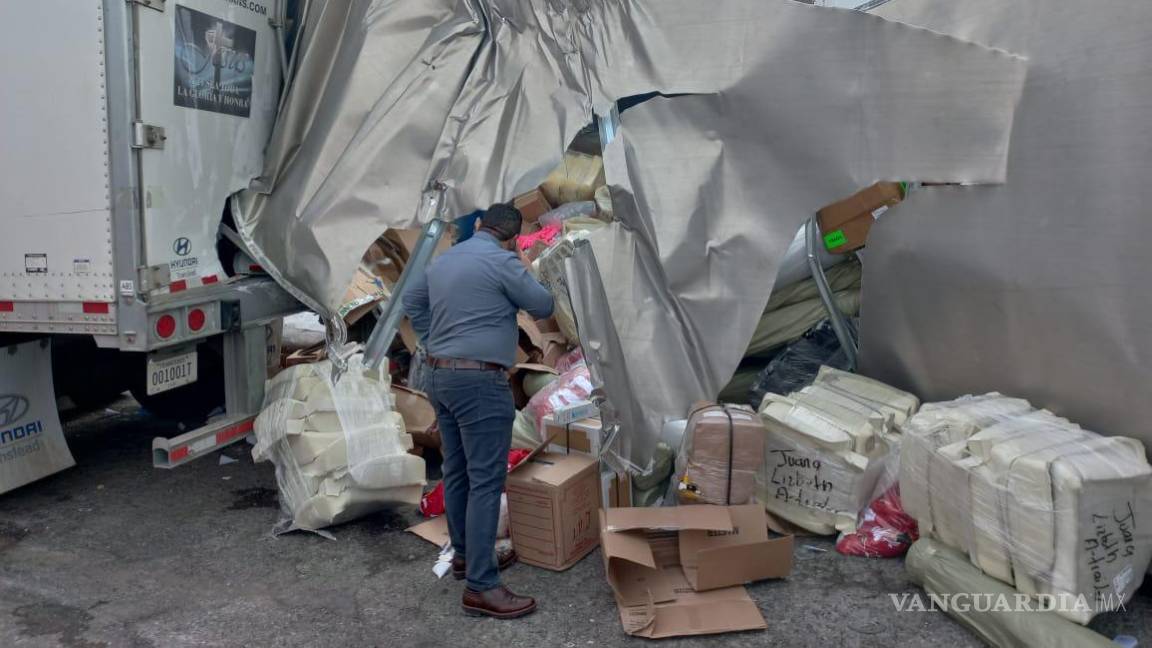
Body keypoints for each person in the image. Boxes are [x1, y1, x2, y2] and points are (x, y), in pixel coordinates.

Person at [403, 203, 554, 619]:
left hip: (440, 376)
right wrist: (520, 259)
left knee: (457, 469)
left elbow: (412, 300)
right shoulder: (504, 261)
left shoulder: (447, 260)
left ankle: (467, 557)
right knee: (486, 481)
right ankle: (482, 587)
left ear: (481, 227)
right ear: (509, 236)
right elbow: (543, 305)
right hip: (479, 382)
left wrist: (436, 338)